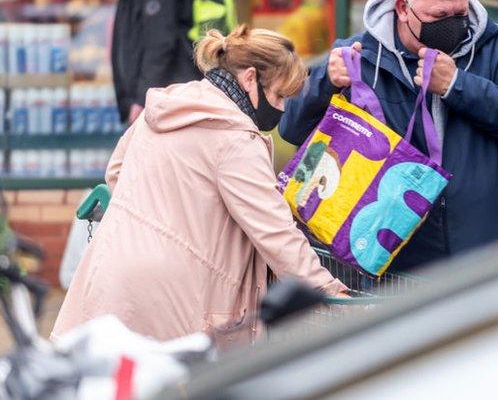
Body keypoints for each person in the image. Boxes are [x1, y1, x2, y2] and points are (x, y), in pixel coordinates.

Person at [52, 25, 347, 345]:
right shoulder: (236, 141)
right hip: (175, 297)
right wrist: (329, 291)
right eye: (278, 95)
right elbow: (275, 232)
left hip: (112, 276)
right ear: (250, 79)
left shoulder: (167, 105)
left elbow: (117, 172)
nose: (280, 108)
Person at [279, 0, 498, 270]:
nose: (453, 25)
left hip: (480, 250)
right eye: (438, 17)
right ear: (403, 9)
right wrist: (325, 82)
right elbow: (291, 128)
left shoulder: (496, 46)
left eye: (459, 14)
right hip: (389, 254)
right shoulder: (360, 55)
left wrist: (457, 85)